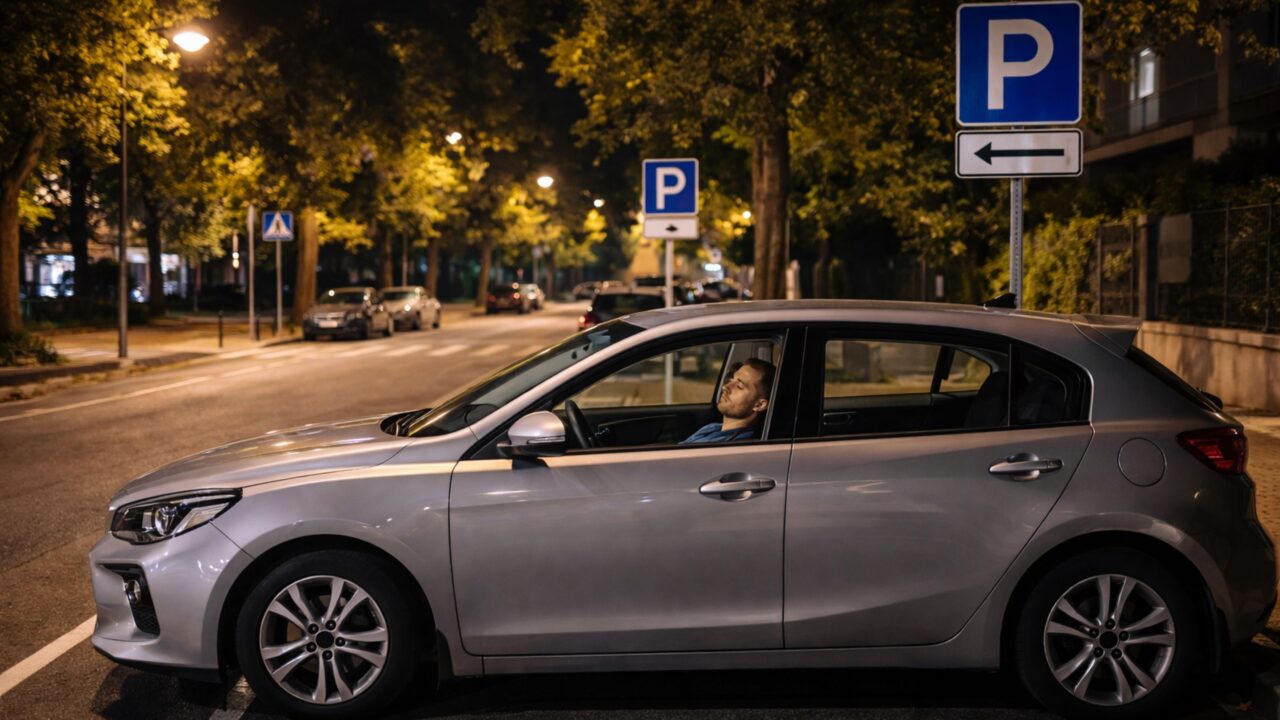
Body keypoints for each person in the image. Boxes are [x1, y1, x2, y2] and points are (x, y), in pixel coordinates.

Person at [681, 357, 775, 444]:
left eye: (739, 386)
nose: (725, 387)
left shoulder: (736, 446)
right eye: (731, 380)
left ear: (759, 405)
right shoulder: (712, 428)